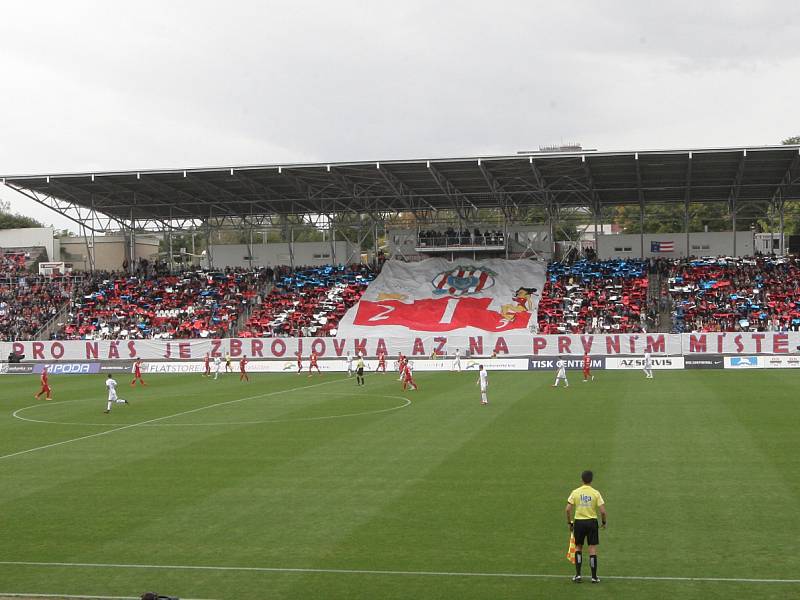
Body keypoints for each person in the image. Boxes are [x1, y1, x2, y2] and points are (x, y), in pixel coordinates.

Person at [565, 470, 607, 584]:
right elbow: (603, 511)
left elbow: (568, 509)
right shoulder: (595, 493)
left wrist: (569, 523)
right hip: (592, 522)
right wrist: (603, 522)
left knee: (578, 547)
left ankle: (578, 576)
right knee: (592, 549)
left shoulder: (575, 492)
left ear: (582, 479)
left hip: (579, 522)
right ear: (591, 480)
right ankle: (594, 577)